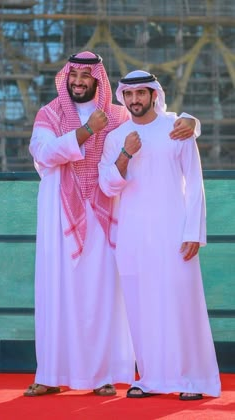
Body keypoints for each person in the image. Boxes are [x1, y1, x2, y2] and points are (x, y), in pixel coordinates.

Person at [24, 52, 200, 397]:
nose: (79, 82)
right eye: (73, 76)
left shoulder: (120, 114)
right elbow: (42, 153)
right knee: (56, 290)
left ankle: (103, 374)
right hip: (60, 209)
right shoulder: (50, 114)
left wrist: (193, 122)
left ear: (97, 80)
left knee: (104, 293)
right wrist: (88, 130)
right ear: (66, 79)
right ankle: (49, 373)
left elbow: (156, 123)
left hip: (106, 210)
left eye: (86, 77)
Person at [98, 70, 221, 400]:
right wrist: (126, 153)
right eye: (129, 95)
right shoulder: (117, 137)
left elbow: (194, 182)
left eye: (142, 94)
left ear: (154, 94)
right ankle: (150, 378)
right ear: (123, 97)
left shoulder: (177, 127)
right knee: (140, 307)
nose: (135, 100)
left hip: (174, 231)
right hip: (133, 235)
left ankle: (192, 380)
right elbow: (107, 185)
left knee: (181, 304)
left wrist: (194, 231)